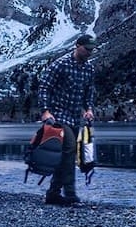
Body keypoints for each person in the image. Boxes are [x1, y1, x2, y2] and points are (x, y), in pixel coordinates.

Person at [37, 34, 97, 206]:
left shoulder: (89, 69)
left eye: (92, 50)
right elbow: (44, 87)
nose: (90, 53)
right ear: (77, 46)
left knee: (64, 155)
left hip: (74, 117)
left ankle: (53, 193)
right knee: (70, 149)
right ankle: (70, 195)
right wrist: (45, 111)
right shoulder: (60, 65)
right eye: (87, 49)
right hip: (57, 116)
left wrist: (89, 109)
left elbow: (89, 91)